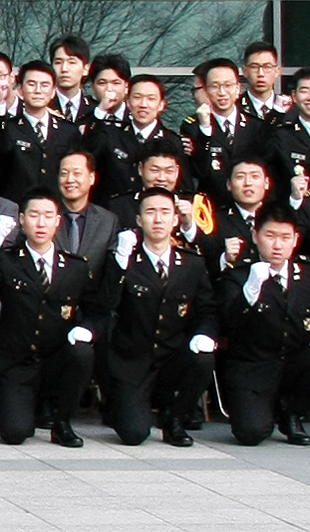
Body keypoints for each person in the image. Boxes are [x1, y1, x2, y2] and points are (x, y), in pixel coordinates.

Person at [102, 189, 216, 446]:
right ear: (139, 220)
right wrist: (120, 264)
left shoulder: (192, 264)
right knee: (134, 434)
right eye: (150, 212)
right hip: (132, 361)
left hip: (172, 357)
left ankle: (174, 418)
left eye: (165, 212)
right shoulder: (125, 259)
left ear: (175, 220)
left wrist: (204, 335)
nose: (158, 219)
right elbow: (106, 303)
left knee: (203, 359)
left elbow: (208, 310)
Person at [0, 194, 95, 447]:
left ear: (58, 222)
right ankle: (23, 407)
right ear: (22, 220)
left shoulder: (75, 267)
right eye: (33, 215)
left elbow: (96, 309)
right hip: (17, 360)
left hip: (56, 359)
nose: (40, 223)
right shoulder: (7, 260)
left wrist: (86, 330)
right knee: (15, 433)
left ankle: (62, 422)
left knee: (83, 353)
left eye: (47, 216)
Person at [218, 212, 310, 447]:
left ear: (295, 240)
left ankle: (292, 414)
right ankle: (265, 409)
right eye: (270, 236)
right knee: (251, 434)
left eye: (285, 237)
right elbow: (228, 322)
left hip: (294, 362)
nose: (277, 245)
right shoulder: (238, 275)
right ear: (255, 236)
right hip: (253, 366)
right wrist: (249, 292)